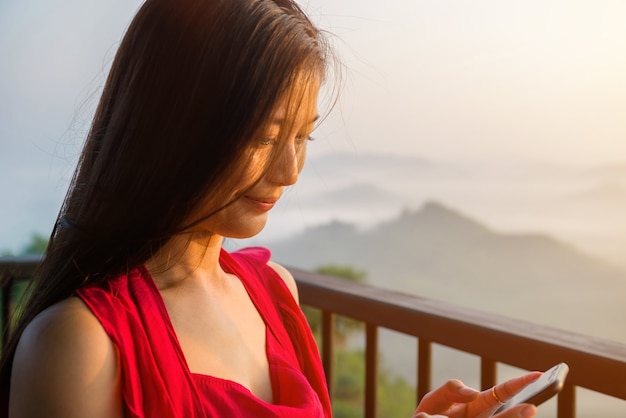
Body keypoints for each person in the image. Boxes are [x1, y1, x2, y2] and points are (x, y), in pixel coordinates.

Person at [0, 0, 541, 417]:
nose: (289, 171)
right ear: (171, 128)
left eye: (304, 137)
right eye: (265, 135)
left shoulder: (275, 293)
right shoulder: (77, 346)